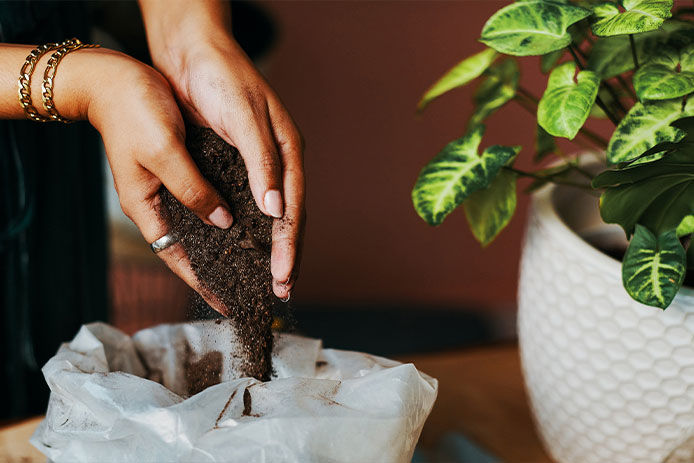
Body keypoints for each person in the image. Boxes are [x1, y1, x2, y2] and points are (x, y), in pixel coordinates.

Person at [0, 0, 304, 418]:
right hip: (55, 84)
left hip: (58, 153)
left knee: (56, 386)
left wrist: (196, 41)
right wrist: (87, 83)